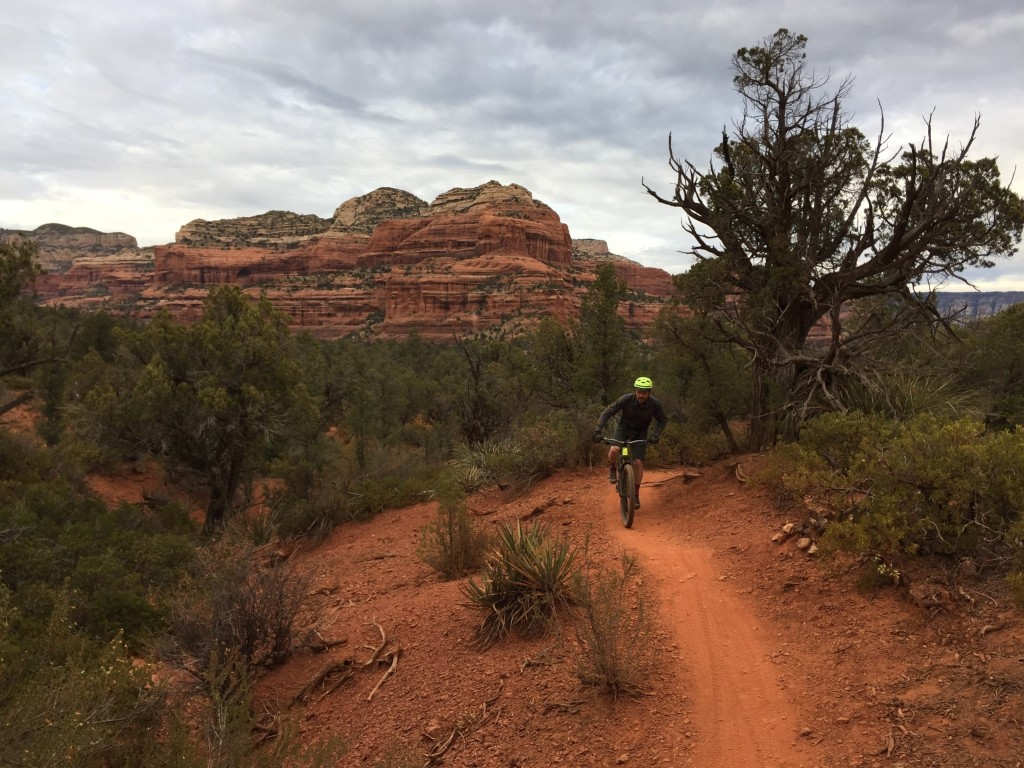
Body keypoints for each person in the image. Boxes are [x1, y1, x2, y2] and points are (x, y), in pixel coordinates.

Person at [592, 376, 668, 509]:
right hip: (623, 428)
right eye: (639, 391)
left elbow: (662, 420)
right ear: (636, 391)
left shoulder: (654, 404)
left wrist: (655, 435)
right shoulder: (626, 399)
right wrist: (598, 430)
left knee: (638, 462)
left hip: (641, 432)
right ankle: (612, 468)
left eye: (644, 392)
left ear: (649, 393)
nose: (641, 395)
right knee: (614, 449)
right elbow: (607, 412)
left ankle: (636, 495)